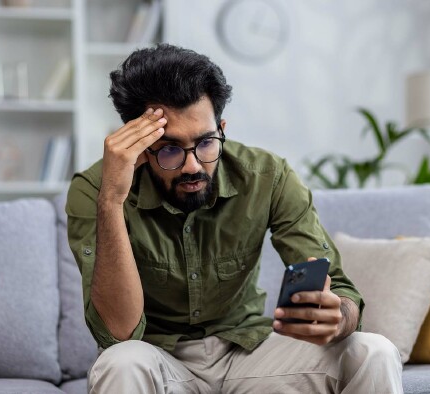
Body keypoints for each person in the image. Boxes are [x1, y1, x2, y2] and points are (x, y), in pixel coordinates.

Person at [65, 43, 403, 394]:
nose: (193, 165)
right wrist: (112, 200)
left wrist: (338, 317)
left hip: (250, 354)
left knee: (373, 351)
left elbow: (339, 288)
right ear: (138, 146)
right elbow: (118, 332)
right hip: (159, 360)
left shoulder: (267, 176)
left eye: (206, 142)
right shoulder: (96, 190)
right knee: (120, 361)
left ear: (222, 128)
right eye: (168, 149)